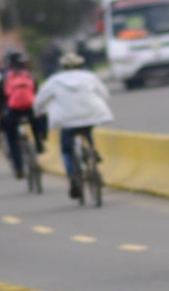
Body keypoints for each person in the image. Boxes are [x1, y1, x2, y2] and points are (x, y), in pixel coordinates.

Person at [34, 52, 113, 200]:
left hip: (67, 120)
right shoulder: (90, 77)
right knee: (86, 130)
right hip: (90, 115)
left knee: (66, 150)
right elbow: (105, 95)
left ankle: (72, 178)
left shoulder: (54, 81)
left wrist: (38, 111)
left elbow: (39, 101)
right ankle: (92, 152)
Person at [0, 52, 46, 178]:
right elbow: (37, 93)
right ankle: (39, 144)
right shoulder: (29, 75)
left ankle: (18, 167)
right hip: (30, 109)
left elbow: (1, 98)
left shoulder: (6, 77)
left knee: (11, 137)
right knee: (38, 121)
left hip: (13, 110)